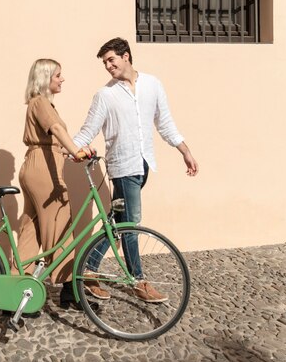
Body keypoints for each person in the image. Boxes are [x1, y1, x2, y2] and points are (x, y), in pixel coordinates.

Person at [73, 37, 199, 303]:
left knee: (116, 223)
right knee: (130, 224)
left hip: (143, 164)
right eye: (105, 62)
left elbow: (164, 123)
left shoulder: (152, 85)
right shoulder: (105, 95)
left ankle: (89, 270)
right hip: (122, 167)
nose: (108, 66)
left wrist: (185, 151)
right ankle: (138, 281)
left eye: (111, 60)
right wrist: (69, 147)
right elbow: (88, 130)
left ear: (126, 56)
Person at [14, 58, 93, 310]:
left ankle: (16, 289)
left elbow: (55, 139)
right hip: (44, 168)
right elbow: (57, 130)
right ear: (46, 78)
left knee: (32, 228)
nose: (62, 79)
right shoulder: (41, 102)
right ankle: (70, 290)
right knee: (60, 226)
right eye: (58, 75)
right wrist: (76, 151)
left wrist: (73, 151)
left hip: (36, 164)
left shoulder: (38, 103)